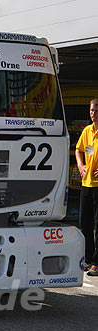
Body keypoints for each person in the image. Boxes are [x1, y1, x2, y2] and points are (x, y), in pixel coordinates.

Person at [75, 99, 98, 276]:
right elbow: (79, 149)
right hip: (87, 184)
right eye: (91, 110)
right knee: (85, 223)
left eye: (96, 111)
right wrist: (81, 165)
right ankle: (88, 258)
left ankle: (96, 263)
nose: (93, 114)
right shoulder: (88, 131)